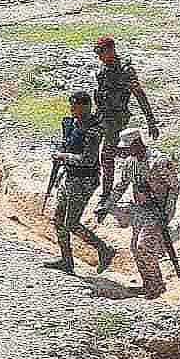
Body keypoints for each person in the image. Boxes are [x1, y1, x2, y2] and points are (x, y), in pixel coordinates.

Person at [87, 37, 160, 217]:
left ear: (111, 49)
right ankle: (97, 185)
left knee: (107, 155)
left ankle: (106, 194)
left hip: (116, 119)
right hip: (102, 115)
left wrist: (151, 120)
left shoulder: (125, 71)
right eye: (97, 53)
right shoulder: (104, 69)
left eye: (101, 52)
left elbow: (139, 94)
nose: (99, 57)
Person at [43, 94, 114, 275]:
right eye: (72, 106)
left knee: (72, 223)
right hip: (70, 176)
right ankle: (67, 260)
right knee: (59, 219)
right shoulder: (71, 124)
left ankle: (104, 249)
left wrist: (63, 157)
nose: (72, 110)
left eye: (75, 107)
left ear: (86, 107)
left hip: (84, 180)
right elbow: (67, 145)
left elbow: (88, 160)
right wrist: (60, 154)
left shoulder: (93, 130)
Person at [114, 130, 180, 297]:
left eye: (127, 148)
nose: (124, 152)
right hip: (141, 209)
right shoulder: (130, 163)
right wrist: (107, 204)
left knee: (144, 247)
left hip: (157, 210)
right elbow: (121, 185)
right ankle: (148, 284)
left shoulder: (159, 161)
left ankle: (157, 285)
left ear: (137, 143)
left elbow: (175, 186)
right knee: (134, 248)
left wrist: (167, 212)